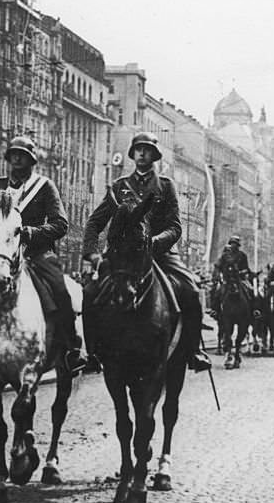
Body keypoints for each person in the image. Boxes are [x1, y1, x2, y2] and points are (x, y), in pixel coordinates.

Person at [82, 131, 212, 372]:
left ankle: (194, 351)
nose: (142, 153)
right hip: (122, 257)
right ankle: (92, 354)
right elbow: (94, 223)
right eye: (138, 149)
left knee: (191, 290)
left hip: (160, 254)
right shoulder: (119, 187)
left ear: (154, 155)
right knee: (91, 291)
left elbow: (174, 226)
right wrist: (92, 253)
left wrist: (154, 242)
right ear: (133, 154)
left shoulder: (165, 186)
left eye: (147, 150)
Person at [0, 135, 86, 372]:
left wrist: (30, 232)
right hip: (1, 253)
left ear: (31, 160)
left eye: (22, 155)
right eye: (13, 154)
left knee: (60, 288)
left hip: (36, 253)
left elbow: (61, 224)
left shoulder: (44, 186)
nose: (17, 159)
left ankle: (71, 348)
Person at [209, 235, 252, 318]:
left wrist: (241, 272)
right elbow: (218, 266)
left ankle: (254, 310)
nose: (233, 245)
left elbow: (246, 268)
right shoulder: (225, 256)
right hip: (227, 279)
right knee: (216, 290)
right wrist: (217, 275)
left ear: (238, 245)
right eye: (232, 243)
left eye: (235, 243)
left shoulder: (242, 255)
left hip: (239, 279)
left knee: (251, 290)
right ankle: (214, 309)